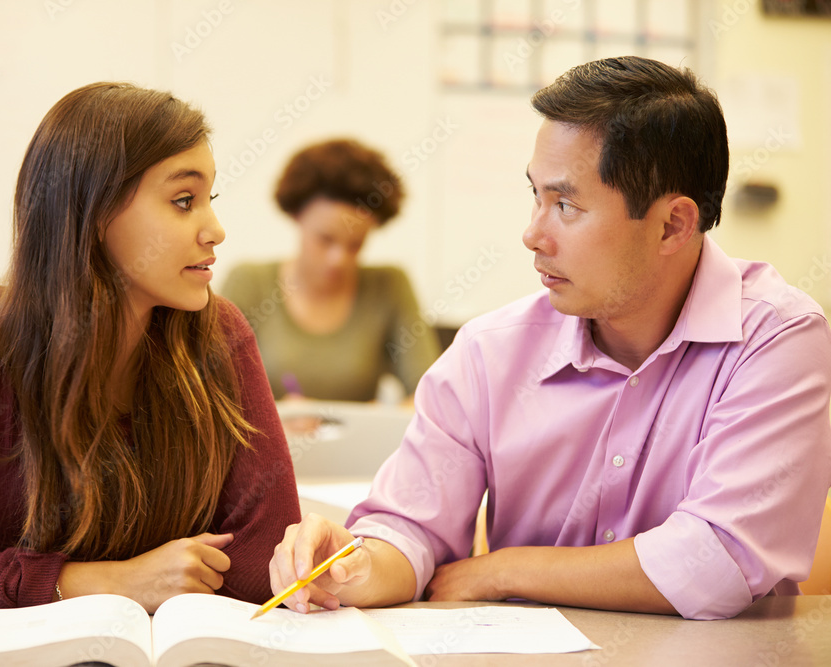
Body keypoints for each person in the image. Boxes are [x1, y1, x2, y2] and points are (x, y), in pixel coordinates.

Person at [268, 56, 831, 621]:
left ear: (673, 225)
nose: (532, 234)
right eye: (535, 195)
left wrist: (503, 570)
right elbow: (409, 528)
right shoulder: (490, 353)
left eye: (566, 205)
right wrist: (354, 566)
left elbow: (715, 563)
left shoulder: (778, 341)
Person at [0, 82, 300, 611]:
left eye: (210, 200)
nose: (215, 230)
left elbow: (264, 563)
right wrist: (111, 582)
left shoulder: (219, 333)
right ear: (92, 214)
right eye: (184, 201)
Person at [221, 139, 440, 402]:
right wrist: (274, 419)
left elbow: (430, 397)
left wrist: (363, 423)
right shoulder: (249, 283)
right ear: (296, 216)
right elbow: (211, 394)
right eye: (325, 239)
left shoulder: (389, 286)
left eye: (356, 244)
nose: (339, 259)